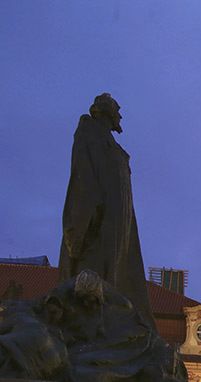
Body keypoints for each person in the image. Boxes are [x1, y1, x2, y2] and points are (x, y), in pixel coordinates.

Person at [59, 93, 153, 327]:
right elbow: (83, 182)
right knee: (91, 288)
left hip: (119, 233)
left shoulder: (114, 148)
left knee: (116, 288)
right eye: (117, 110)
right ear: (107, 111)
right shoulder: (89, 134)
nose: (120, 115)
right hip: (97, 229)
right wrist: (77, 231)